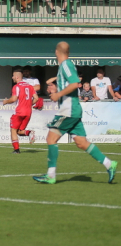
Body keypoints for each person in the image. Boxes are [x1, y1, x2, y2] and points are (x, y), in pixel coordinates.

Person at [33, 41, 117, 184]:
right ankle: (110, 164)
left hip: (68, 111)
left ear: (56, 52)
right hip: (73, 110)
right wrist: (57, 91)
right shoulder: (64, 66)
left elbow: (74, 83)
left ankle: (51, 175)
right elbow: (70, 85)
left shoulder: (65, 65)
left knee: (51, 139)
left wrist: (58, 95)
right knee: (81, 142)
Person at [3, 70, 38, 153]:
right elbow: (36, 98)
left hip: (19, 112)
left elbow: (14, 99)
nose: (12, 77)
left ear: (17, 77)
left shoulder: (17, 87)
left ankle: (16, 150)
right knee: (19, 131)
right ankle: (29, 132)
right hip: (28, 112)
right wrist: (29, 104)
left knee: (13, 130)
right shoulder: (30, 86)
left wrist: (6, 101)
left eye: (13, 76)